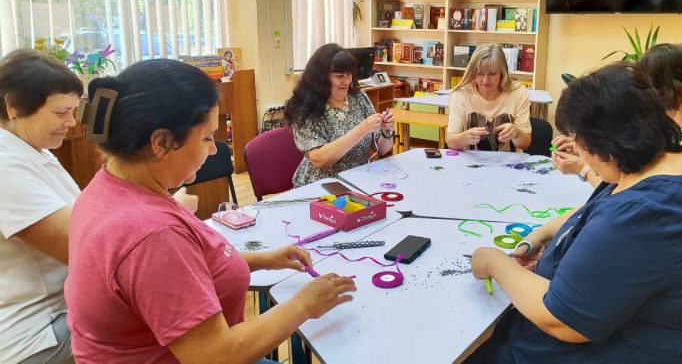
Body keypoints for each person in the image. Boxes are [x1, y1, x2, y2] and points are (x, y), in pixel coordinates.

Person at [65, 59, 356, 363]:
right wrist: (303, 305)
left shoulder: (106, 187)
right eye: (206, 137)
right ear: (161, 143)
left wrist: (261, 260)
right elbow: (215, 355)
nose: (214, 148)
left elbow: (175, 275)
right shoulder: (153, 235)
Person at [466, 63, 682, 363]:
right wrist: (543, 235)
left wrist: (496, 263)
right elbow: (595, 210)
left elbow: (559, 319)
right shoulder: (670, 165)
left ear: (607, 143)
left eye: (579, 141)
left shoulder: (645, 212)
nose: (578, 152)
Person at [0, 49, 82, 364]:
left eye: (73, 111)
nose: (71, 122)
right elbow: (86, 250)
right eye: (61, 113)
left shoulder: (34, 149)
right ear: (14, 107)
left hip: (61, 306)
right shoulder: (6, 166)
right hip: (38, 330)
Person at [554, 43, 682, 184]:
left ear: (671, 91)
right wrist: (589, 146)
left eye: (645, 87)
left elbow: (631, 190)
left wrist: (583, 168)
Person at [284, 43, 394, 187]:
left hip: (359, 179)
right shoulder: (306, 107)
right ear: (321, 78)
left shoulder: (359, 97)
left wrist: (387, 130)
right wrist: (362, 129)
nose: (347, 81)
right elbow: (319, 159)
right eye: (339, 76)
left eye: (349, 74)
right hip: (322, 185)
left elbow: (383, 149)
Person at [446, 44, 531, 152]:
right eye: (479, 73)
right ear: (472, 72)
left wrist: (517, 133)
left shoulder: (518, 92)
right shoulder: (460, 94)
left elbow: (525, 144)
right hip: (471, 161)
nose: (485, 80)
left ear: (502, 72)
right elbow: (451, 142)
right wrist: (466, 137)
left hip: (509, 161)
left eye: (492, 73)